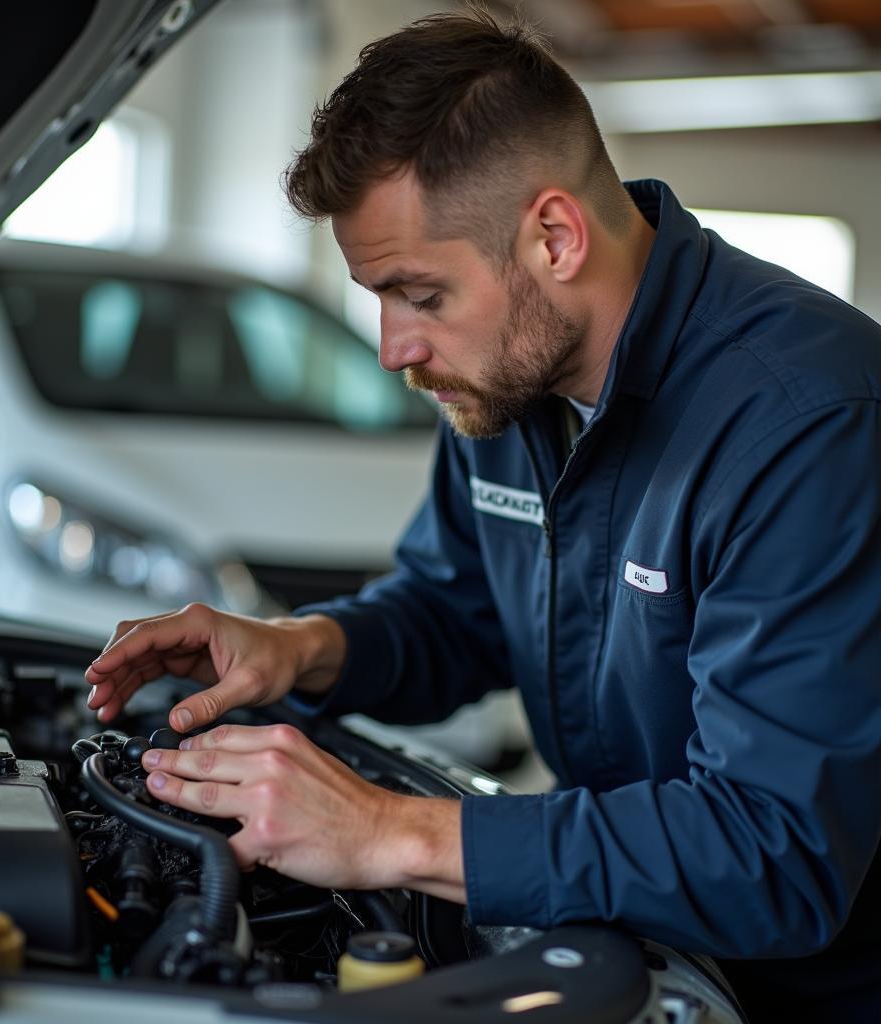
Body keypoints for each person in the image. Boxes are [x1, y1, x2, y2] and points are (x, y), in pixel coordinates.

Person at [85, 9, 881, 1019]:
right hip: (638, 944)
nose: (391, 348)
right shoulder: (506, 378)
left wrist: (389, 832)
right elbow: (456, 610)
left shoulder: (805, 423)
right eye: (378, 297)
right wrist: (297, 649)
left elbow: (777, 852)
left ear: (553, 236)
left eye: (418, 293)